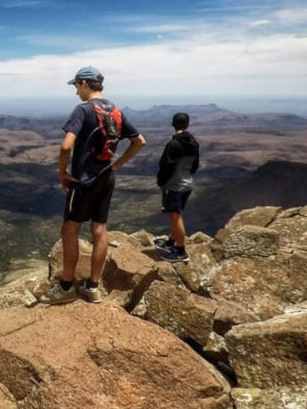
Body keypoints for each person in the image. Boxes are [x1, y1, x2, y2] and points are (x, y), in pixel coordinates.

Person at [40, 66, 146, 305]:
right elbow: (139, 141)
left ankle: (66, 287)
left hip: (84, 180)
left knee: (69, 229)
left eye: (76, 86)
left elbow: (66, 146)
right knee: (99, 230)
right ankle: (92, 287)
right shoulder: (116, 111)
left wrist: (62, 173)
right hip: (107, 177)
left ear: (84, 84)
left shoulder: (83, 110)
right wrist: (116, 165)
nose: (76, 92)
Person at [153, 112, 200, 263]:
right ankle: (171, 242)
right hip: (187, 183)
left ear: (173, 124)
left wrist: (161, 182)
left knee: (175, 216)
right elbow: (195, 165)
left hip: (174, 185)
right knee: (176, 215)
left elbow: (165, 165)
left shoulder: (173, 144)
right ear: (188, 124)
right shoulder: (194, 143)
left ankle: (180, 252)